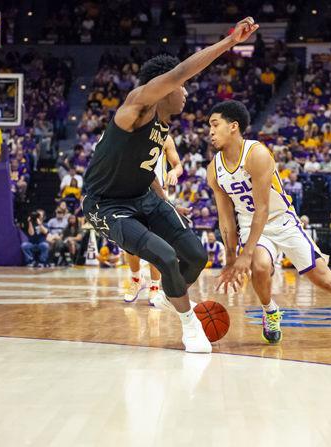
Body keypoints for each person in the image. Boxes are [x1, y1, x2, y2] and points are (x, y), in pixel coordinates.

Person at [82, 18, 260, 353]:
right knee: (164, 255)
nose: (186, 92)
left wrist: (165, 202)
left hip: (143, 198)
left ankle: (170, 293)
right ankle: (190, 324)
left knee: (196, 255)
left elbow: (145, 167)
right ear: (164, 88)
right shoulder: (138, 105)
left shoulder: (163, 125)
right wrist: (229, 42)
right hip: (105, 205)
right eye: (181, 88)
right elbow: (181, 73)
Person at [207, 100, 331, 345]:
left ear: (233, 126)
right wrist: (231, 256)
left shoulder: (257, 154)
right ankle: (270, 311)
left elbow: (262, 209)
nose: (209, 131)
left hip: (281, 221)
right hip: (251, 226)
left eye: (214, 124)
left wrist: (245, 254)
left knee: (325, 280)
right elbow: (226, 217)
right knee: (260, 266)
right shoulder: (213, 169)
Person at [123, 134, 184, 304]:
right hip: (132, 193)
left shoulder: (166, 138)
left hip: (158, 195)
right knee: (128, 241)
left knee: (155, 242)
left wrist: (174, 171)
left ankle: (155, 286)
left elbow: (178, 165)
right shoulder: (131, 135)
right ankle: (137, 280)